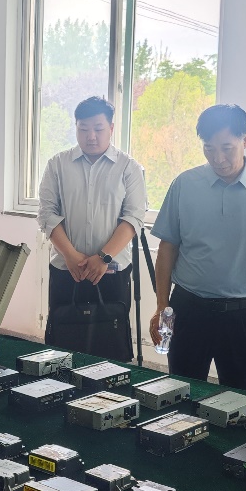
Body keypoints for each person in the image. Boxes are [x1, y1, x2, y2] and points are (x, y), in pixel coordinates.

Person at [150, 103, 246, 392]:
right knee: (181, 395)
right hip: (188, 309)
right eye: (209, 148)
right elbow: (167, 247)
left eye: (227, 148)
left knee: (242, 403)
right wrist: (162, 305)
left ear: (245, 140)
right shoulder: (185, 184)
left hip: (244, 315)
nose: (218, 158)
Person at [37, 96, 146, 361]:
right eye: (83, 129)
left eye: (98, 128)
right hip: (67, 270)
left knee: (110, 346)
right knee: (63, 346)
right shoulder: (57, 165)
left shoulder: (129, 168)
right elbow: (47, 214)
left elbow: (133, 218)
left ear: (111, 127)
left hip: (112, 272)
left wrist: (103, 257)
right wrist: (70, 255)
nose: (91, 136)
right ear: (76, 127)